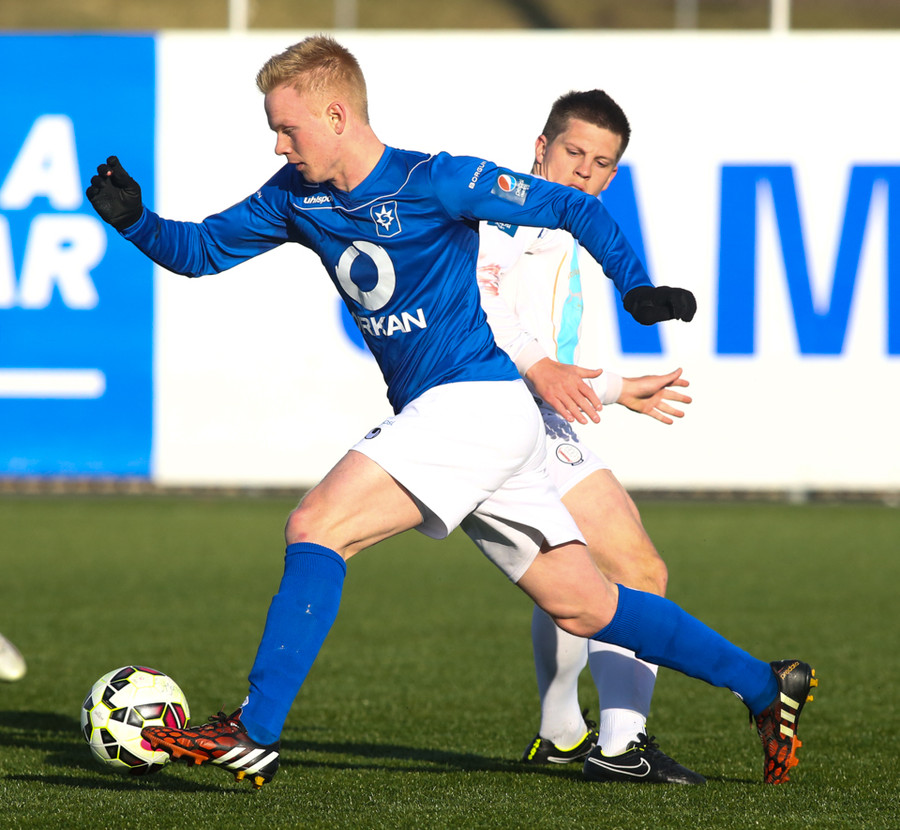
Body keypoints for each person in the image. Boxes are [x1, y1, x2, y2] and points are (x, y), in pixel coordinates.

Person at [85, 35, 816, 790]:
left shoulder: (436, 180)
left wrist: (634, 286)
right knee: (586, 605)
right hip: (482, 423)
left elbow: (570, 206)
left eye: (287, 128)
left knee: (316, 525)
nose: (278, 144)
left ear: (336, 115)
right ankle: (765, 685)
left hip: (473, 403)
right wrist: (136, 222)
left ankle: (254, 731)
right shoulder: (293, 195)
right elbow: (202, 250)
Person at [476, 90, 703, 784]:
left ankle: (562, 732)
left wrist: (613, 389)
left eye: (601, 163)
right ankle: (622, 747)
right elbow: (480, 311)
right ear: (540, 148)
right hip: (498, 416)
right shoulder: (506, 214)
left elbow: (541, 346)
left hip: (531, 416)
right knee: (637, 572)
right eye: (573, 152)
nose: (584, 171)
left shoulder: (560, 222)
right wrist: (598, 386)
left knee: (575, 576)